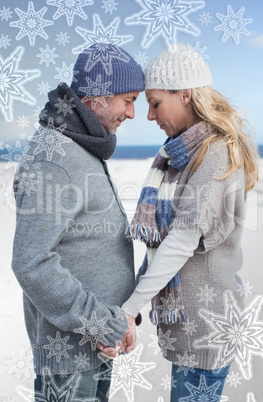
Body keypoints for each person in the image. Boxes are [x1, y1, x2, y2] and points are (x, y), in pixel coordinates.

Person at [100, 43, 259, 400]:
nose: (149, 116)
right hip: (190, 326)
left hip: (207, 325)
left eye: (156, 104)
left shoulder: (215, 154)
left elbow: (180, 242)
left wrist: (129, 310)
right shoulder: (179, 155)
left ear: (185, 95)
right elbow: (160, 246)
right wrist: (132, 308)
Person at [11, 43, 144, 401]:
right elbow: (31, 262)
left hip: (96, 344)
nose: (132, 113)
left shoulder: (79, 145)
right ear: (97, 98)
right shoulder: (55, 159)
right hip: (70, 355)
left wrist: (115, 323)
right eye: (128, 100)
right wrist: (102, 323)